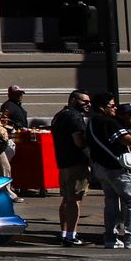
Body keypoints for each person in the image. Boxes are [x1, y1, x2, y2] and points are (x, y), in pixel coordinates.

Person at [86, 94, 131, 249]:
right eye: (112, 106)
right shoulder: (109, 122)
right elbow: (129, 140)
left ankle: (111, 238)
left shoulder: (92, 122)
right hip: (116, 167)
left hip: (101, 167)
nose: (115, 109)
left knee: (111, 201)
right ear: (102, 107)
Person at [50, 90, 93, 246]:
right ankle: (71, 236)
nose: (89, 105)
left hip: (63, 162)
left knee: (67, 199)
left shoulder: (60, 115)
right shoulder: (75, 117)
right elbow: (79, 142)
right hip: (76, 163)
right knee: (75, 200)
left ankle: (64, 232)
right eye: (85, 101)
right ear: (74, 100)